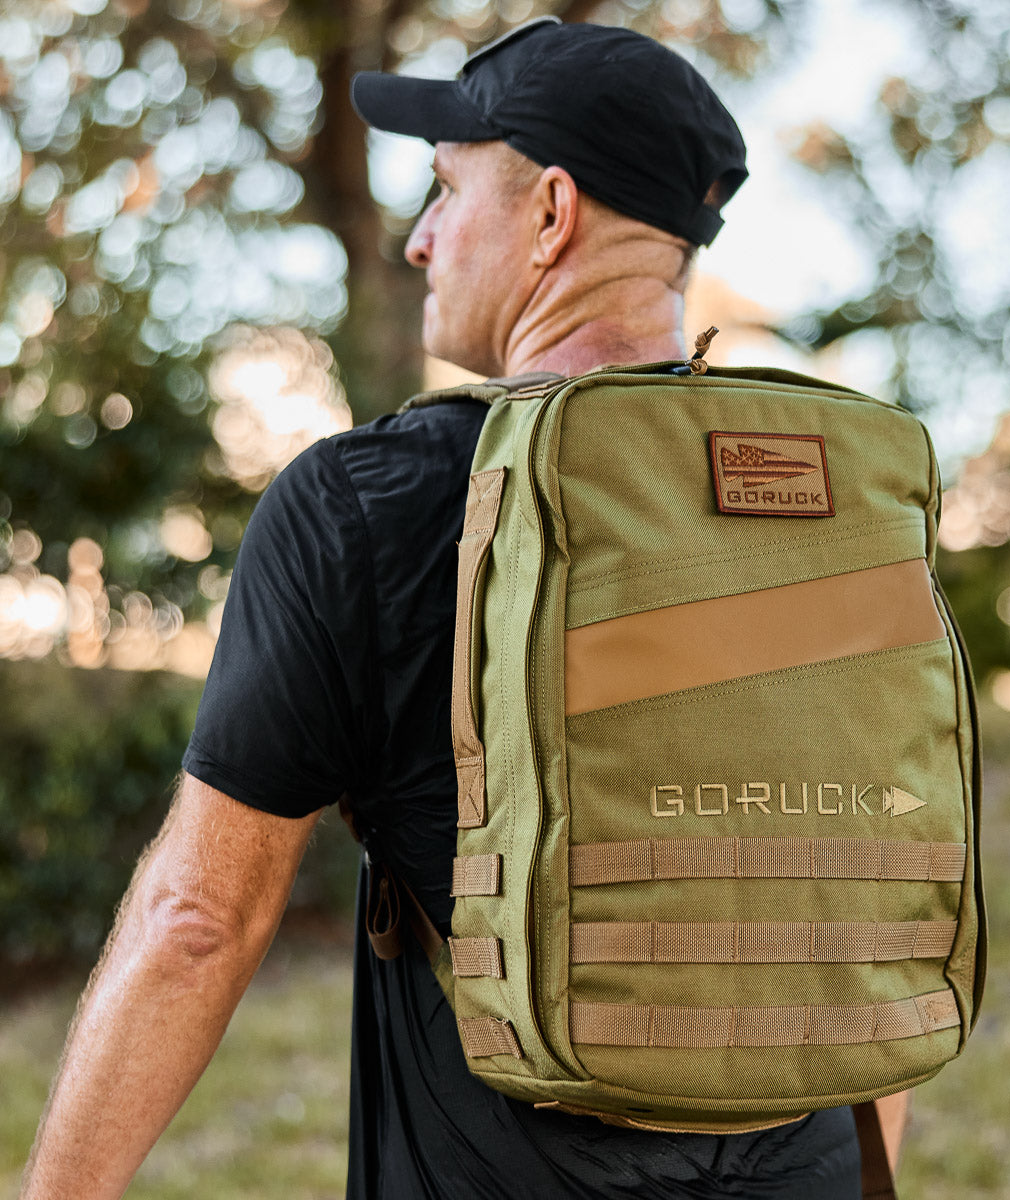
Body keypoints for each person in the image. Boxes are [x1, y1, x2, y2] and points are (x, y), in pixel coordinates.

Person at [23, 19, 867, 1199]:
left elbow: (197, 920)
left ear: (552, 214)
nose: (420, 238)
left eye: (445, 189)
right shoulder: (831, 500)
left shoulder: (365, 503)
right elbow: (872, 888)